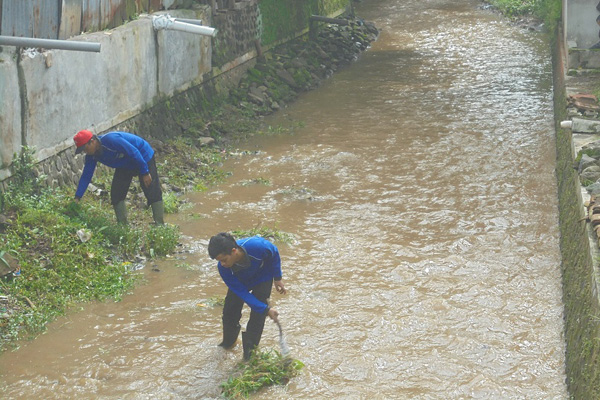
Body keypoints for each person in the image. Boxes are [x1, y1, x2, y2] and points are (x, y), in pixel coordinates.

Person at [208, 232, 287, 360]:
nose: (222, 264)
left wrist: (277, 278)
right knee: (230, 311)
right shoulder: (224, 269)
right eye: (219, 261)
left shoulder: (257, 246)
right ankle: (228, 344)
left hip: (263, 278)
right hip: (240, 281)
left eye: (224, 260)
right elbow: (242, 293)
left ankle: (249, 355)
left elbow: (274, 253)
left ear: (234, 251)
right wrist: (266, 309)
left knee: (258, 316)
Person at [73, 129, 164, 225]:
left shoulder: (110, 140)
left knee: (151, 188)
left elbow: (133, 152)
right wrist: (78, 197)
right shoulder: (91, 156)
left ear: (92, 141)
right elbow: (86, 176)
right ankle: (123, 226)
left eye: (85, 149)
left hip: (142, 156)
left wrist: (145, 172)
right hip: (125, 164)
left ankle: (160, 225)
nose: (85, 152)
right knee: (116, 194)